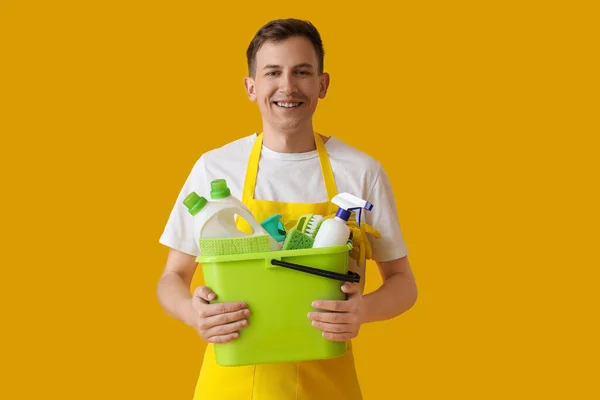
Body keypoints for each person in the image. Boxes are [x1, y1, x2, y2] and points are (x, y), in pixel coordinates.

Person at [157, 18, 418, 400]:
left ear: (322, 84)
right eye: (273, 72)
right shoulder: (215, 169)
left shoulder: (361, 172)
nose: (287, 86)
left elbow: (403, 283)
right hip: (231, 386)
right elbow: (172, 277)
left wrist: (363, 311)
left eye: (302, 72)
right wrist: (191, 311)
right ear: (251, 86)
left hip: (328, 385)